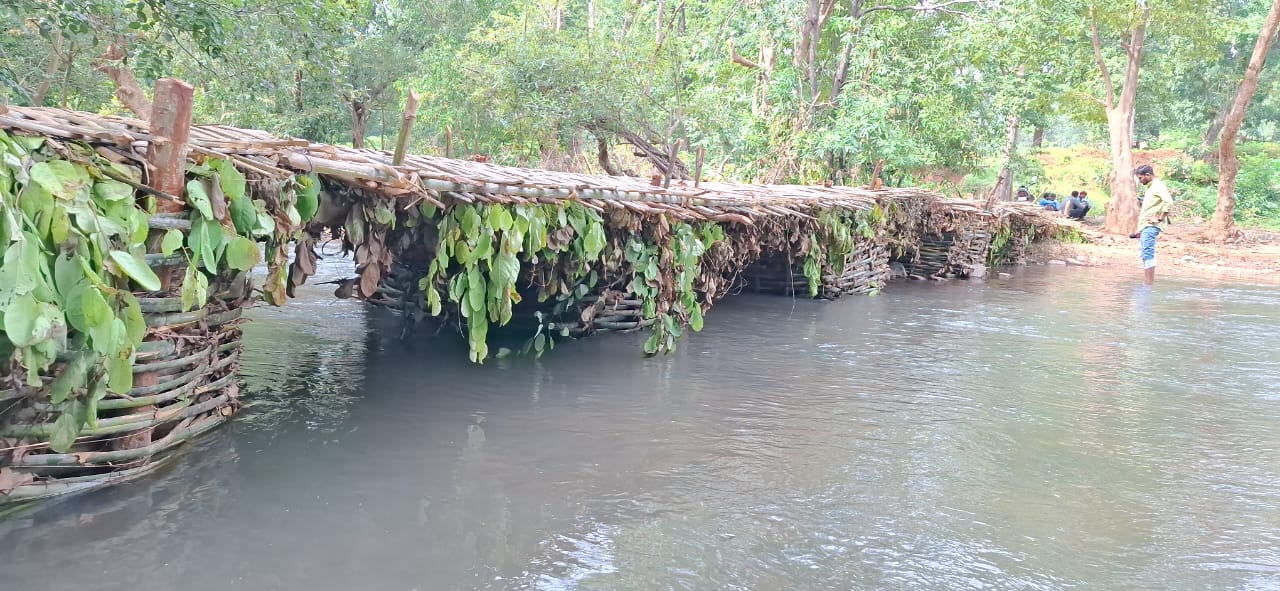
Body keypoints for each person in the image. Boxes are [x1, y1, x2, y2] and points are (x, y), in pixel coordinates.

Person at [1132, 165, 1173, 285]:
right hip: (1146, 226)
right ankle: (1147, 283)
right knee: (1145, 253)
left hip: (1151, 226)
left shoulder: (1157, 186)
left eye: (1140, 178)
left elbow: (1169, 201)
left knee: (1147, 252)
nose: (1140, 181)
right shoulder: (1150, 187)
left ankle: (1148, 284)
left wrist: (1160, 218)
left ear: (1148, 175)